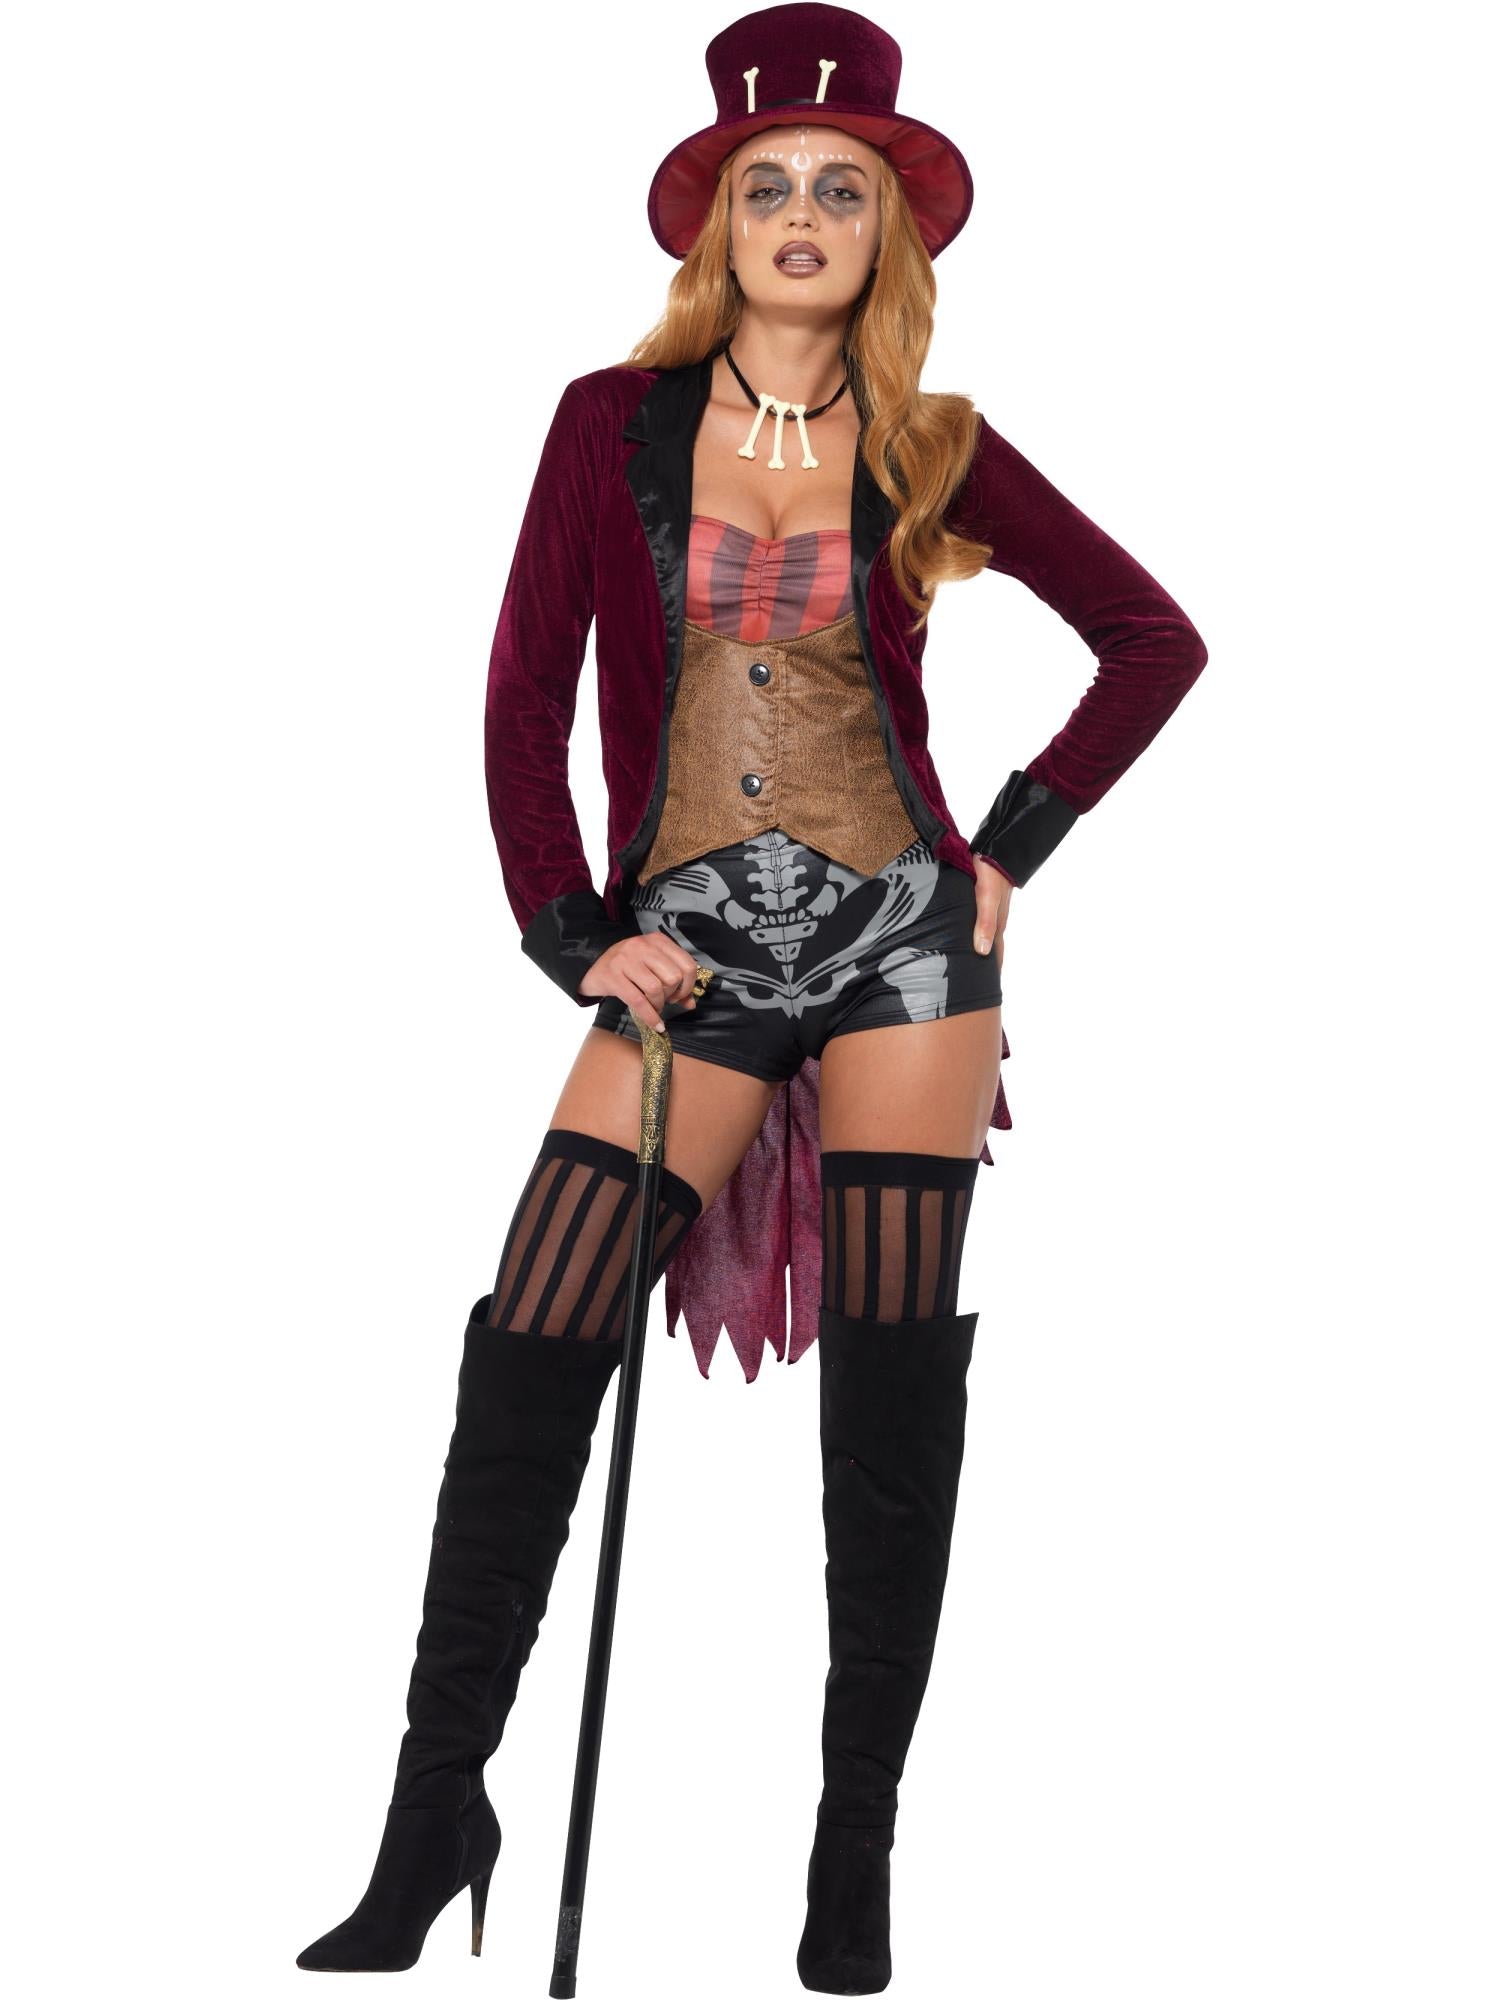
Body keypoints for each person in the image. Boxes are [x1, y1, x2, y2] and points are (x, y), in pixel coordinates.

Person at [295, 4, 1209, 1990]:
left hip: (905, 957)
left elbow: (1155, 639)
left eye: (842, 190)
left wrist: (1008, 849)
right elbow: (525, 694)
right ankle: (434, 1808)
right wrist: (571, 930)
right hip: (690, 945)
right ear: (716, 223)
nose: (802, 215)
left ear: (890, 232)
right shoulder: (603, 426)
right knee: (532, 1341)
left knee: (893, 1395)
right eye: (767, 185)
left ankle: (849, 1852)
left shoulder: (937, 444)